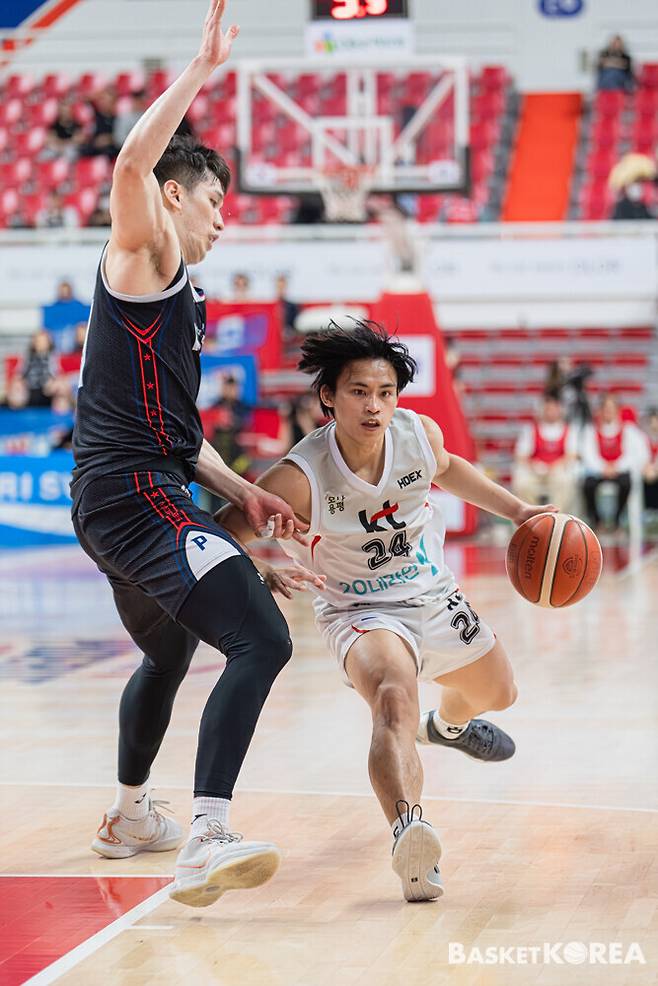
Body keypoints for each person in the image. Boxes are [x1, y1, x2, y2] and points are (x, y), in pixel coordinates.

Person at [70, 0, 320, 909]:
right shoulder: (142, 256)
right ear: (174, 197)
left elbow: (179, 433)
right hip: (134, 496)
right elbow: (131, 164)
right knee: (263, 639)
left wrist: (242, 491)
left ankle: (129, 815)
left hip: (131, 492)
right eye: (215, 201)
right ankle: (207, 835)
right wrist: (203, 68)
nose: (223, 221)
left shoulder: (183, 300)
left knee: (170, 653)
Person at [219, 320, 554, 903]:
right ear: (328, 397)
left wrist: (518, 510)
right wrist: (262, 571)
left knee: (500, 692)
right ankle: (411, 836)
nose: (374, 405)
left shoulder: (417, 435)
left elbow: (447, 468)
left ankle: (446, 728)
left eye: (385, 392)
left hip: (431, 593)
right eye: (359, 392)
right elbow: (223, 534)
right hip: (359, 608)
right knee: (394, 697)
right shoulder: (300, 477)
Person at [581, 394, 645, 532]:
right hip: (599, 472)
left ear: (617, 410)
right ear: (600, 410)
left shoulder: (628, 430)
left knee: (626, 483)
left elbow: (631, 455)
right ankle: (597, 521)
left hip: (618, 472)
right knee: (588, 485)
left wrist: (616, 467)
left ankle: (616, 521)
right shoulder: (591, 430)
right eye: (605, 408)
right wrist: (603, 468)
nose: (608, 412)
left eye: (611, 408)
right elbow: (588, 455)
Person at [512, 393, 578, 513]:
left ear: (560, 410)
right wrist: (534, 465)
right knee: (522, 483)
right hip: (535, 471)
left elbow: (571, 455)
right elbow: (521, 455)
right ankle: (532, 516)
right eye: (548, 409)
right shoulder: (531, 430)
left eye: (554, 409)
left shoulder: (568, 430)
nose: (551, 412)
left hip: (557, 471)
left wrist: (555, 466)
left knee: (565, 481)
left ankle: (558, 515)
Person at [642, 407, 658, 511]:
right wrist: (647, 467)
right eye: (651, 422)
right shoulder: (643, 439)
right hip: (646, 471)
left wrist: (655, 468)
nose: (653, 425)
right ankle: (649, 510)